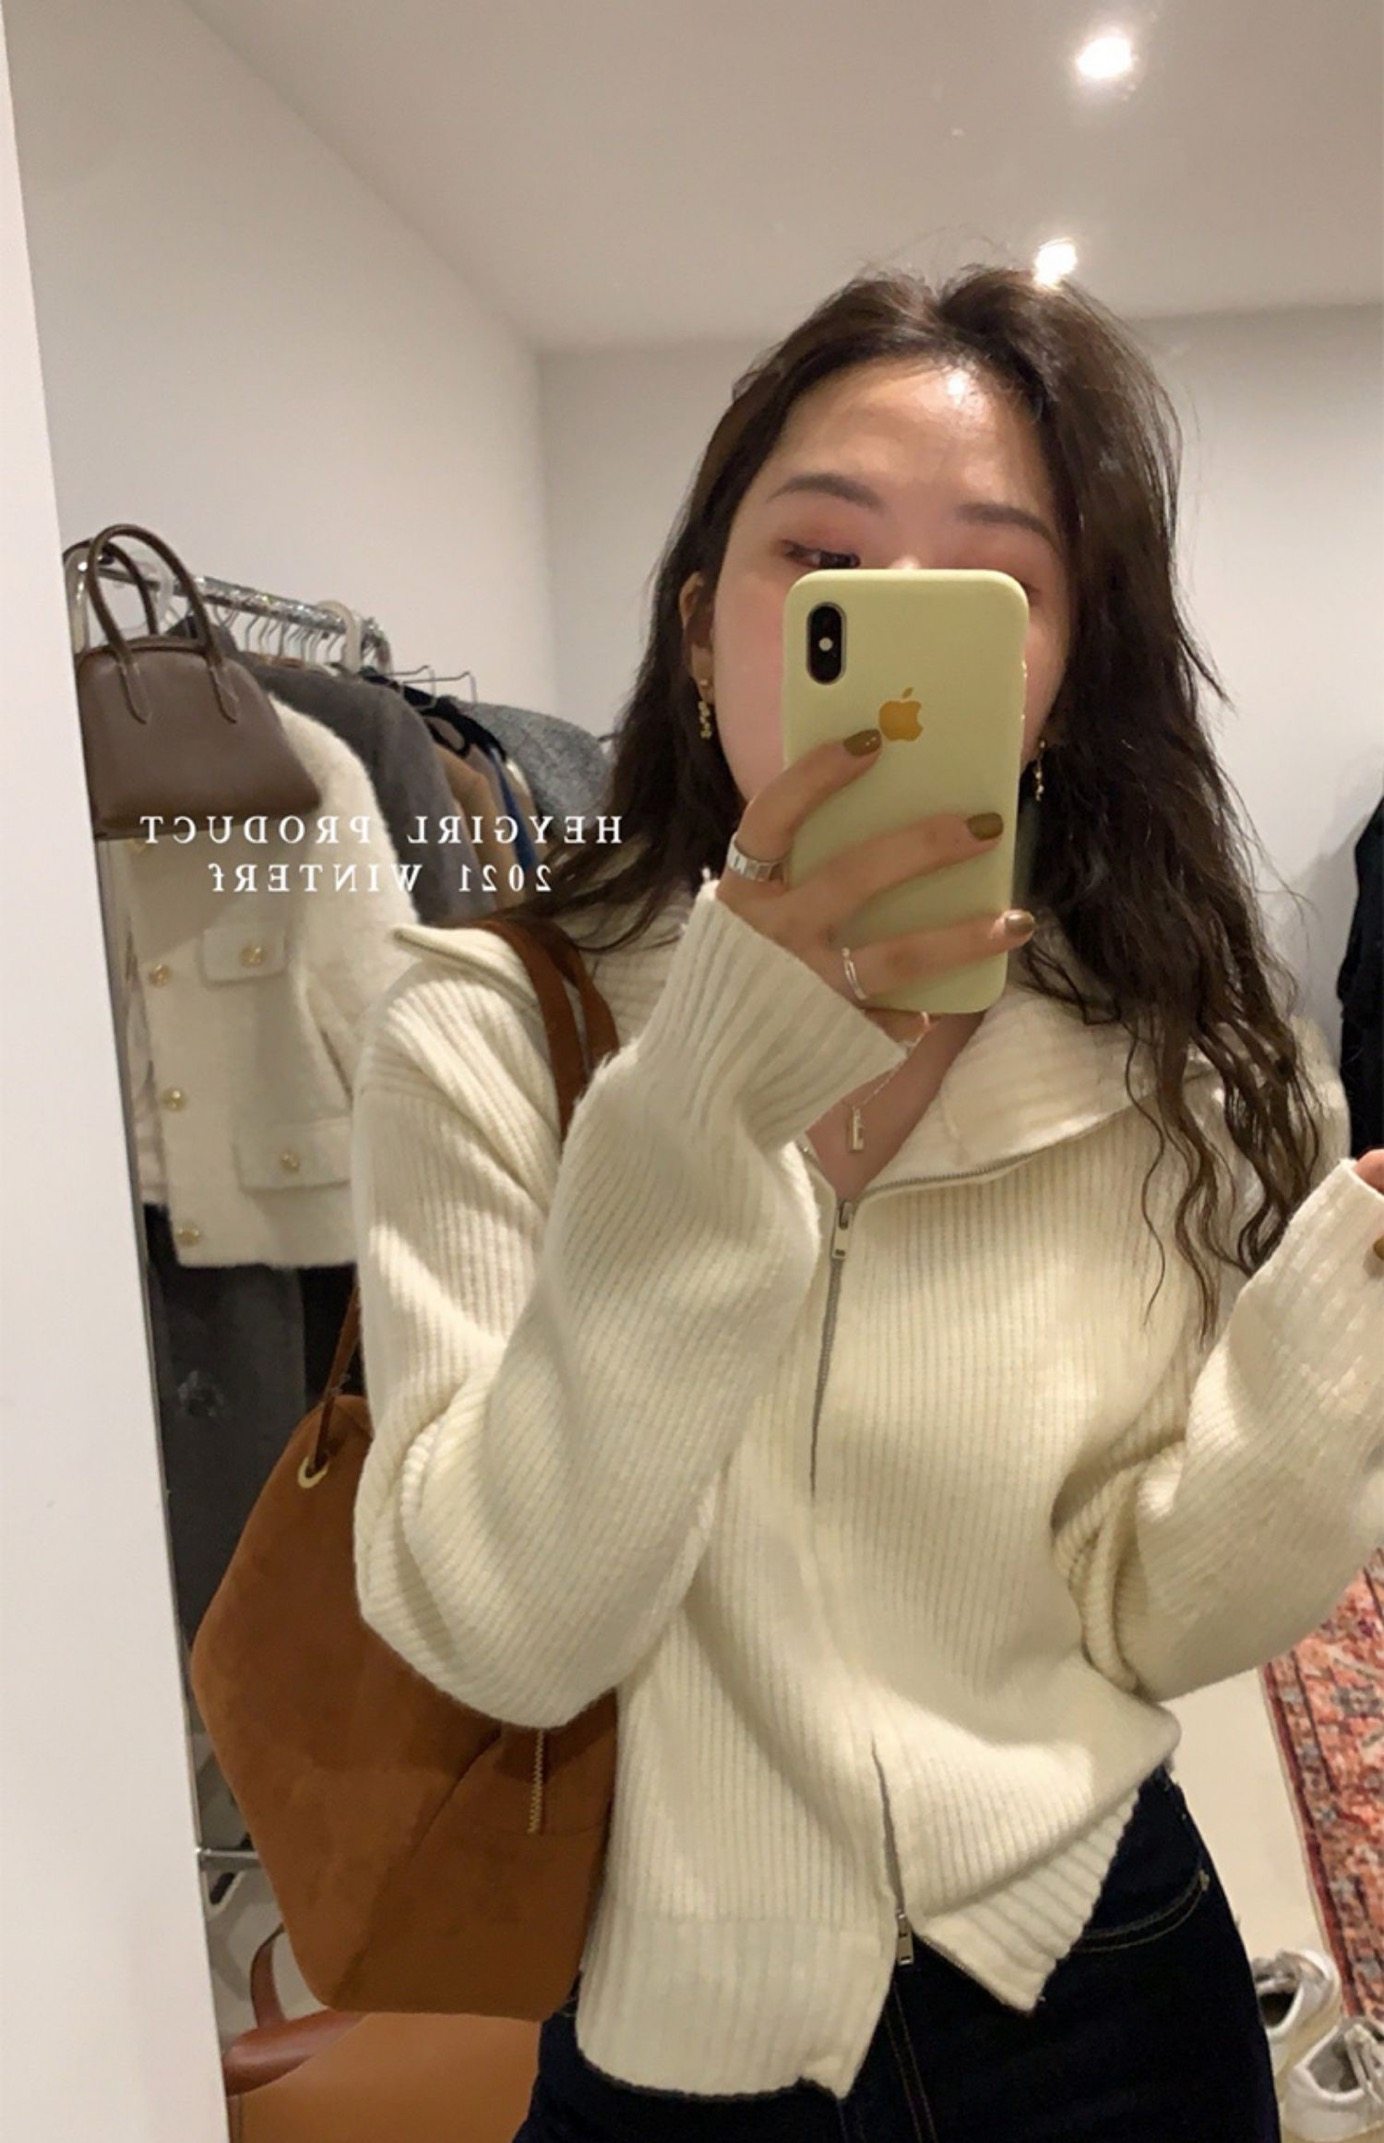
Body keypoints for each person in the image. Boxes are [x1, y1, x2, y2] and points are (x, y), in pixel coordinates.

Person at [348, 266, 1384, 2142]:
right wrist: (707, 1097)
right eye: (823, 563)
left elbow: (1151, 1622)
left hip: (1106, 1974)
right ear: (700, 628)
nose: (899, 632)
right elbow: (510, 1637)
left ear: (1058, 679)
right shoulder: (489, 1027)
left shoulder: (1176, 1060)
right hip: (674, 2048)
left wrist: (1318, 1395)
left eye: (991, 591)